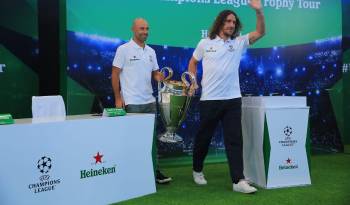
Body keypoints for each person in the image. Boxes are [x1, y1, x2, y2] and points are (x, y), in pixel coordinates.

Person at [188, 0, 265, 193]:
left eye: (233, 22)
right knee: (203, 139)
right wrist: (192, 81)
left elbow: (260, 33)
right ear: (220, 23)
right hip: (209, 100)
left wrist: (259, 12)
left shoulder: (238, 42)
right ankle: (197, 169)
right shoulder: (205, 43)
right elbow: (193, 63)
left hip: (232, 100)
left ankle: (238, 181)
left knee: (234, 140)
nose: (231, 24)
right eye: (227, 21)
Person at [111, 18, 171, 184]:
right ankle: (132, 174)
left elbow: (156, 74)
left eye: (147, 29)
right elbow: (115, 74)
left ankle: (153, 170)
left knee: (150, 141)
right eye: (141, 28)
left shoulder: (151, 52)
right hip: (132, 103)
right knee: (132, 140)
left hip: (150, 102)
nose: (145, 31)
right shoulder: (123, 50)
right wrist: (118, 98)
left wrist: (163, 78)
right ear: (133, 29)